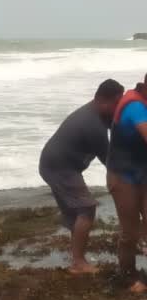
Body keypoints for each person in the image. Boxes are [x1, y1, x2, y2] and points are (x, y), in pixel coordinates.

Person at [39, 79, 123, 274]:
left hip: (56, 164)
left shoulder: (98, 113)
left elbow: (117, 128)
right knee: (86, 208)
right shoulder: (93, 124)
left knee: (75, 213)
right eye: (117, 103)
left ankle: (76, 256)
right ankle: (78, 262)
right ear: (103, 100)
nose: (119, 107)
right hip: (59, 167)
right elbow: (110, 162)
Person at [107, 75, 147, 292]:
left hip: (144, 174)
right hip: (123, 177)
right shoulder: (134, 107)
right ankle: (127, 275)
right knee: (129, 231)